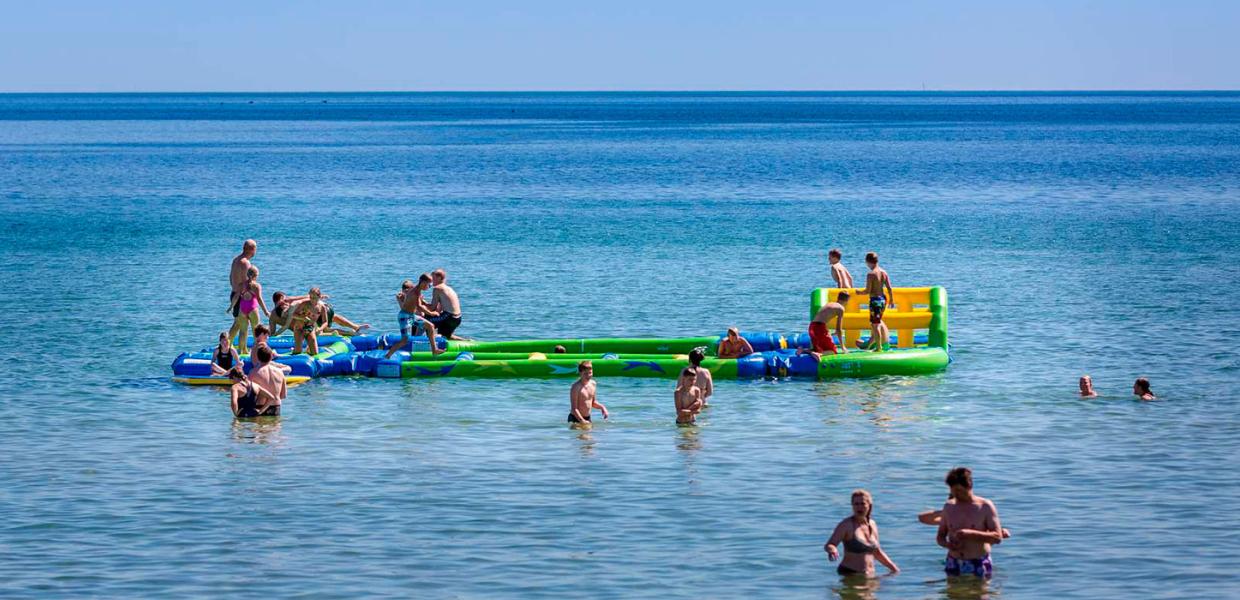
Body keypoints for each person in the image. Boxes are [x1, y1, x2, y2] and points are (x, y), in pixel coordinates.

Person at [936, 467, 1003, 578]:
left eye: (959, 491)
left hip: (978, 561)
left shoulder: (985, 506)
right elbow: (940, 537)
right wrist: (948, 545)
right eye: (953, 490)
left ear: (969, 486)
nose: (956, 494)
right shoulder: (949, 506)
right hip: (953, 561)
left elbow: (997, 537)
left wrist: (970, 534)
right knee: (952, 595)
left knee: (979, 594)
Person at [824, 489, 900, 577]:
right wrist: (832, 550)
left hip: (869, 575)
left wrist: (894, 569)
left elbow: (877, 552)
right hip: (850, 573)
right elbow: (830, 544)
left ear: (869, 506)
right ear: (852, 506)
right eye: (856, 504)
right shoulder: (846, 525)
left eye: (863, 504)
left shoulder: (872, 524)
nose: (859, 507)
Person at [384, 276, 443, 359]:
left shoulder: (417, 291)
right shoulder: (415, 292)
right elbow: (419, 307)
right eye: (428, 285)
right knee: (405, 340)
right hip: (404, 317)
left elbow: (423, 304)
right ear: (423, 282)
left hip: (411, 317)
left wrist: (436, 305)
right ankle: (387, 356)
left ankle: (434, 350)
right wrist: (431, 313)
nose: (429, 287)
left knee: (430, 326)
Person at [227, 266, 270, 354]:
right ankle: (258, 350)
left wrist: (231, 307)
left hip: (242, 309)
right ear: (256, 275)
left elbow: (236, 297)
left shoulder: (241, 285)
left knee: (243, 331)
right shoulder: (256, 286)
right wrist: (266, 311)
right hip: (252, 308)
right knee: (256, 331)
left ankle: (243, 351)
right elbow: (259, 299)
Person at [858, 252, 895, 352]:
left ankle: (879, 347)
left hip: (875, 301)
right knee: (877, 323)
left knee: (875, 325)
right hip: (883, 300)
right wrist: (891, 300)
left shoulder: (871, 274)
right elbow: (889, 288)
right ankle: (875, 345)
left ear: (868, 262)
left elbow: (868, 291)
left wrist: (858, 293)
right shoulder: (883, 272)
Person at [918, 503, 1011, 539]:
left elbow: (999, 533)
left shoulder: (978, 516)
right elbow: (923, 518)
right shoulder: (950, 518)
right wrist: (945, 510)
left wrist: (1002, 531)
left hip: (976, 556)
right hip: (954, 558)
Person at [247, 345, 286, 416]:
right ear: (271, 357)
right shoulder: (280, 372)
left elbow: (248, 394)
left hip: (260, 407)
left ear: (258, 358)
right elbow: (283, 395)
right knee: (275, 426)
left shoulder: (253, 372)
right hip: (276, 407)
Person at [807, 291, 848, 357]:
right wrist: (843, 347)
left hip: (812, 326)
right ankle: (819, 354)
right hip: (819, 328)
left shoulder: (829, 303)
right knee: (832, 351)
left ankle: (803, 350)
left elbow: (822, 317)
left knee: (817, 348)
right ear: (846, 300)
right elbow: (839, 329)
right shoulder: (841, 308)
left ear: (838, 298)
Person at [289, 287, 328, 355]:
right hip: (299, 328)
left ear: (319, 297)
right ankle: (295, 350)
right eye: (310, 297)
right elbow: (293, 314)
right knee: (298, 351)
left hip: (310, 328)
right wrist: (302, 318)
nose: (312, 299)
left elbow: (325, 322)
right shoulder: (304, 304)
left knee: (315, 353)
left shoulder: (322, 307)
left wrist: (320, 328)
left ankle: (307, 349)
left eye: (314, 298)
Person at [428, 269, 465, 340]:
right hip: (457, 318)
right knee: (447, 336)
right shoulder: (448, 288)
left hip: (449, 317)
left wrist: (420, 304)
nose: (431, 281)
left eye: (433, 278)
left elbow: (433, 307)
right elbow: (439, 309)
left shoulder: (437, 288)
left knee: (426, 322)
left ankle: (428, 343)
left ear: (439, 278)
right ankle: (467, 341)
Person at [568, 360, 607, 426]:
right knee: (580, 435)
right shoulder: (576, 387)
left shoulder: (593, 384)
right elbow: (574, 409)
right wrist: (582, 421)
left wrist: (603, 408)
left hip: (587, 418)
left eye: (590, 373)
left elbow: (593, 403)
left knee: (590, 436)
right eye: (585, 373)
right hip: (575, 418)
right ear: (580, 373)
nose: (589, 375)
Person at [228, 239, 257, 317]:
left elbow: (230, 278)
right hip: (242, 297)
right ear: (252, 249)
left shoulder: (235, 260)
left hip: (234, 294)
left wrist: (235, 288)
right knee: (243, 323)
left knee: (238, 323)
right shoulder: (246, 263)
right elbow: (248, 283)